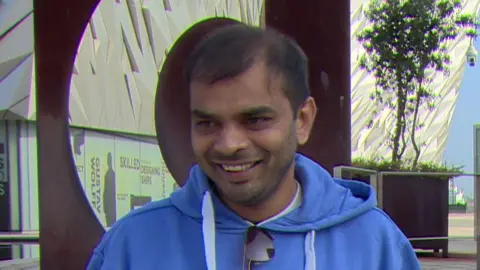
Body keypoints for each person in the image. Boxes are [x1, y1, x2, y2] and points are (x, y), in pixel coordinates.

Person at [87, 23, 421, 270]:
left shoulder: (375, 244)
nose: (229, 144)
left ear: (302, 119)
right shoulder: (133, 244)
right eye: (207, 122)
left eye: (255, 120)